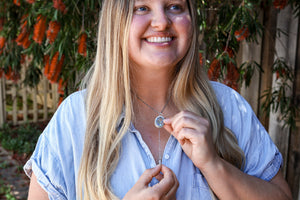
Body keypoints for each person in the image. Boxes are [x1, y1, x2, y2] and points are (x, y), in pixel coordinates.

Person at [25, 0, 292, 199]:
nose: (162, 21)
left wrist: (214, 166)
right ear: (115, 21)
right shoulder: (76, 118)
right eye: (141, 8)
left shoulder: (229, 107)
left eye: (175, 6)